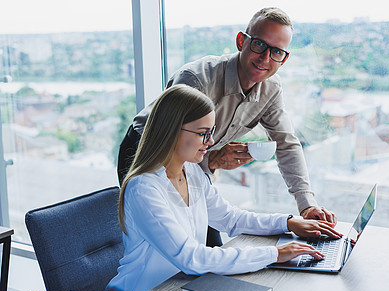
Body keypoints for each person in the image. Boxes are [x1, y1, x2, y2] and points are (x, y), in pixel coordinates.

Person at [117, 7, 336, 247]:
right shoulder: (198, 79)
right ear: (241, 41)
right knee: (173, 241)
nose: (265, 58)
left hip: (194, 157)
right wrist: (211, 161)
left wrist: (306, 205)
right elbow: (175, 142)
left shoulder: (271, 89)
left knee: (208, 237)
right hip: (148, 148)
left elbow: (286, 144)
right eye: (259, 45)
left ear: (284, 58)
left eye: (276, 52)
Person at [105, 84, 342, 291]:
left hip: (183, 288)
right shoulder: (144, 189)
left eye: (212, 131)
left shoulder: (192, 171)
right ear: (172, 130)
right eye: (202, 133)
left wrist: (288, 223)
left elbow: (230, 218)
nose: (210, 142)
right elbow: (192, 258)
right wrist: (274, 254)